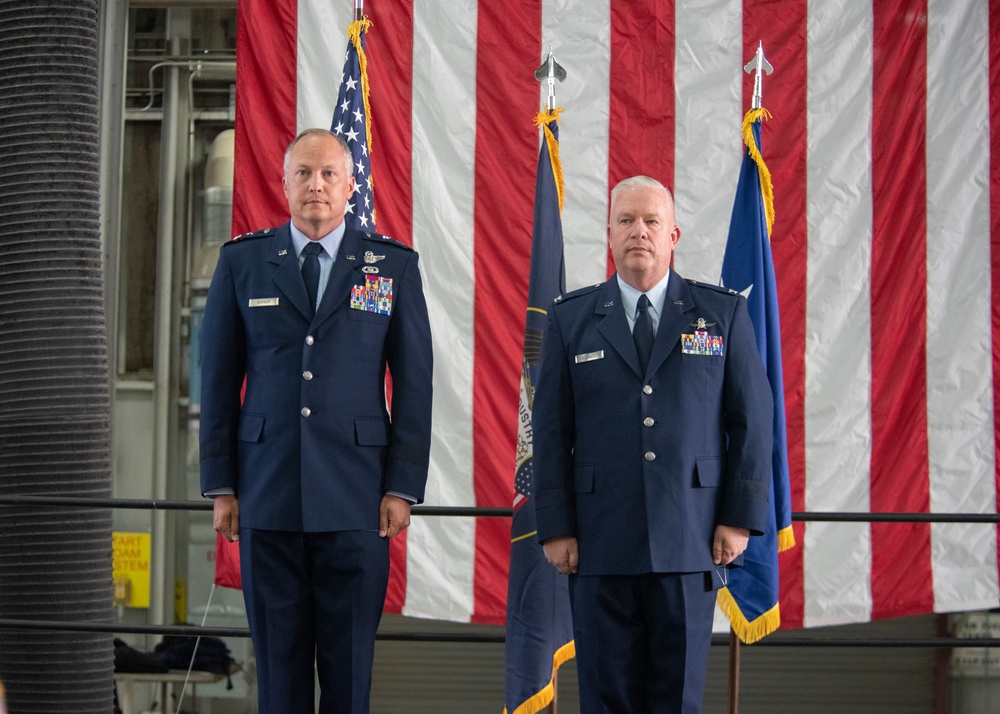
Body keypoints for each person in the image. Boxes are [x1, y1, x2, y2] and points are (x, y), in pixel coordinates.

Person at [199, 128, 433, 713]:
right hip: (266, 493)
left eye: (329, 174)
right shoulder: (243, 262)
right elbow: (219, 378)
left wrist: (402, 485)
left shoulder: (392, 266)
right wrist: (222, 484)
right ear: (283, 184)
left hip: (358, 498)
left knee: (349, 674)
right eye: (303, 173)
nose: (316, 186)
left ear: (351, 185)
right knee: (278, 677)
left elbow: (415, 384)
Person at [533, 176, 773, 713]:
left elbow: (752, 421)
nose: (638, 231)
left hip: (690, 539)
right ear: (609, 235)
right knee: (604, 699)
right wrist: (556, 525)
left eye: (651, 222)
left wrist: (739, 518)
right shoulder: (571, 320)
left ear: (673, 235)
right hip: (598, 543)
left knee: (676, 701)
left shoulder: (721, 314)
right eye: (626, 220)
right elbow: (549, 431)